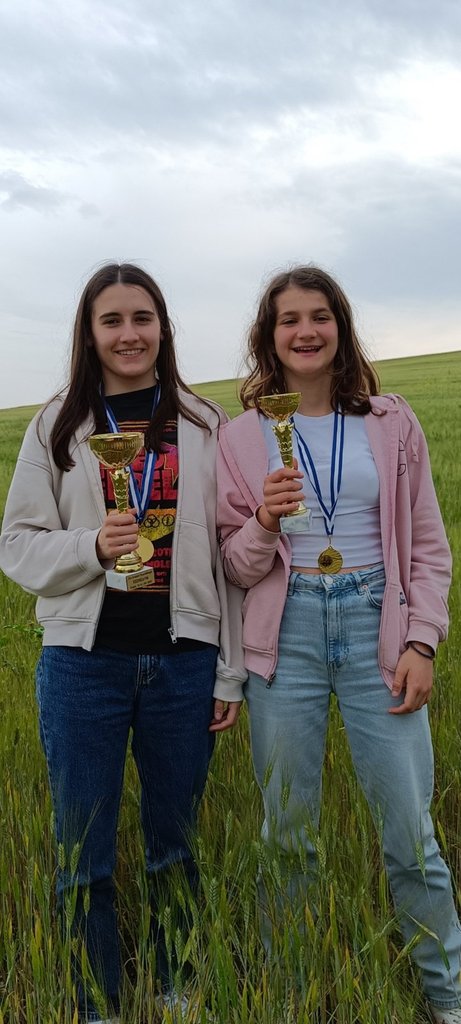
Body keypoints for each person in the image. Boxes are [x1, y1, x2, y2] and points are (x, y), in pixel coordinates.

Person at [0, 262, 245, 1024]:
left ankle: (176, 990)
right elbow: (16, 545)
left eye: (142, 318)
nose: (129, 334)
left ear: (163, 327)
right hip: (82, 666)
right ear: (89, 333)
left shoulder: (205, 423)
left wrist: (228, 673)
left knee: (176, 848)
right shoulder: (58, 424)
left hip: (184, 665)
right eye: (111, 320)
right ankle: (94, 1004)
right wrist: (90, 548)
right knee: (83, 854)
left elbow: (230, 558)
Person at [216, 265, 461, 1023]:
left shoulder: (390, 421)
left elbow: (427, 545)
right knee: (286, 834)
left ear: (340, 326)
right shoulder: (239, 437)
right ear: (268, 336)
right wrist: (263, 521)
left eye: (319, 315)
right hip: (283, 635)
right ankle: (289, 992)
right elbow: (233, 565)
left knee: (410, 833)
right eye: (289, 319)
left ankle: (448, 994)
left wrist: (422, 640)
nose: (306, 331)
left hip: (375, 625)